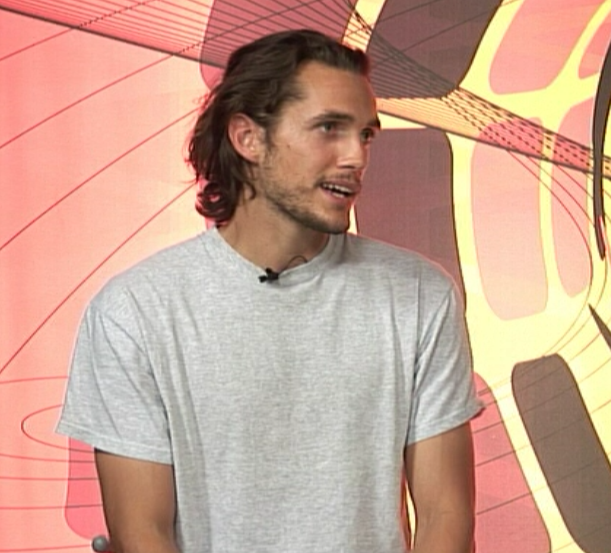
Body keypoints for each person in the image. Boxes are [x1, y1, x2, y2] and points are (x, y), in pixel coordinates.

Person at [57, 29, 482, 553]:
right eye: (329, 128)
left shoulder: (419, 295)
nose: (357, 156)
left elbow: (445, 515)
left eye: (366, 135)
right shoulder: (135, 311)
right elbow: (143, 532)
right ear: (248, 138)